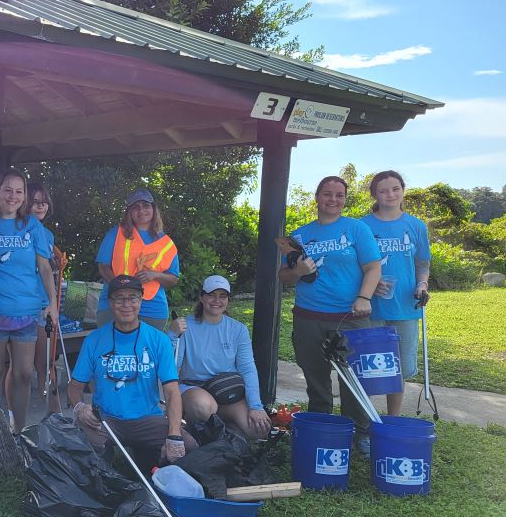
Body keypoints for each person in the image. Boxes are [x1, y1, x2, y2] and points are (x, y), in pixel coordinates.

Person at [278, 175, 381, 451]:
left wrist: (364, 297)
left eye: (339, 195)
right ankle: (322, 428)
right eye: (327, 194)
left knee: (353, 378)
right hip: (308, 316)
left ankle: (358, 431)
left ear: (345, 199)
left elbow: (373, 267)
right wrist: (297, 271)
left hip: (351, 316)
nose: (333, 200)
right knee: (316, 377)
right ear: (317, 197)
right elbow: (284, 275)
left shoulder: (356, 229)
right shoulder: (298, 235)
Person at [67, 274, 187, 471]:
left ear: (141, 300)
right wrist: (80, 407)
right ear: (110, 302)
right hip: (106, 419)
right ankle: (103, 471)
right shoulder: (94, 340)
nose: (126, 304)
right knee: (80, 441)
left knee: (187, 447)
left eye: (132, 298)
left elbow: (173, 391)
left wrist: (174, 435)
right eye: (119, 298)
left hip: (147, 418)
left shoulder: (159, 340)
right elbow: (74, 386)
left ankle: (148, 457)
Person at [361, 170, 431, 416]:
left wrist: (422, 285)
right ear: (375, 194)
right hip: (371, 309)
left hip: (405, 308)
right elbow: (353, 265)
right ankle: (365, 421)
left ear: (403, 190)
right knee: (369, 368)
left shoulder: (416, 226)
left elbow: (422, 264)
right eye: (383, 190)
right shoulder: (362, 226)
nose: (390, 194)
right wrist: (369, 283)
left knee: (399, 368)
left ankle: (392, 420)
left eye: (395, 189)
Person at [168, 275, 272, 438]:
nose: (217, 300)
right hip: (194, 388)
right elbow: (171, 366)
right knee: (202, 407)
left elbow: (247, 368)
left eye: (222, 296)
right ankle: (195, 421)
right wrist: (172, 336)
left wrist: (255, 406)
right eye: (211, 294)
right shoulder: (185, 326)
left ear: (228, 299)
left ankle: (220, 429)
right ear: (202, 297)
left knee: (259, 429)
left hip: (225, 389)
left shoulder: (238, 329)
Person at [0, 169, 58, 433]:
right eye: (8, 190)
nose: (13, 196)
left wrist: (52, 303)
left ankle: (18, 430)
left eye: (19, 191)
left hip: (26, 312)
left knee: (23, 373)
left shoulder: (32, 225)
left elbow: (44, 267)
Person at [96, 188, 180, 331]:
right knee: (111, 349)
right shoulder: (115, 233)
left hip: (152, 308)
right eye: (135, 207)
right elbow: (103, 266)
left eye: (146, 205)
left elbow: (173, 278)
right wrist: (120, 287)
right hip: (116, 302)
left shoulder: (167, 243)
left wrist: (155, 275)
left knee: (147, 350)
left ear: (153, 209)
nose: (141, 211)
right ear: (129, 212)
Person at [26, 181, 62, 412]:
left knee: (46, 359)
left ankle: (51, 409)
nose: (40, 206)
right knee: (20, 364)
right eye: (35, 202)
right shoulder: (17, 228)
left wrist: (55, 265)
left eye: (44, 202)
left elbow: (47, 268)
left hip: (43, 302)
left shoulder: (47, 234)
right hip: (21, 302)